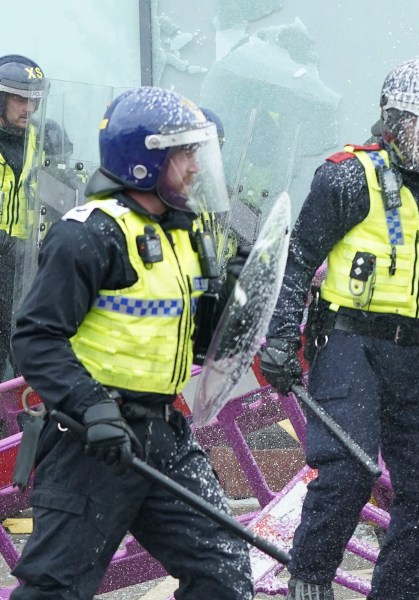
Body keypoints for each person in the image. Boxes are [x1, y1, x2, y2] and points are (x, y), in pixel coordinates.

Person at [258, 59, 419, 600]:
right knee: (349, 469)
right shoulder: (347, 177)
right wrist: (282, 337)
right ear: (395, 124)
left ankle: (399, 593)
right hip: (349, 341)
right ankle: (309, 581)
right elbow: (298, 259)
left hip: (416, 350)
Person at [9, 86, 252, 599]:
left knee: (223, 576)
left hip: (165, 435)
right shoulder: (88, 235)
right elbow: (35, 337)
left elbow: (199, 339)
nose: (194, 166)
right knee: (56, 589)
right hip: (90, 442)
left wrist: (233, 295)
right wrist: (92, 407)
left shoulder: (183, 234)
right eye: (184, 153)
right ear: (145, 162)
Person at [0, 54, 44, 380]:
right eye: (18, 98)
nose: (27, 108)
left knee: (22, 346)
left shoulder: (35, 141)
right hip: (7, 252)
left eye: (32, 100)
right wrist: (7, 244)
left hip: (22, 267)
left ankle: (21, 423)